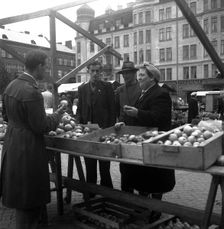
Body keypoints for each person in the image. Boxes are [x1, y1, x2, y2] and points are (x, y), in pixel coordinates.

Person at [0, 50, 66, 229]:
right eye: (46, 66)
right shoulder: (32, 91)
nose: (46, 70)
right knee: (29, 196)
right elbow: (41, 126)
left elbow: (6, 116)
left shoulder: (11, 86)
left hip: (12, 142)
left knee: (22, 194)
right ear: (39, 66)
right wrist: (58, 114)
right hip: (27, 148)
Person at [121, 63, 175, 222]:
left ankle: (156, 209)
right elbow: (142, 116)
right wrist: (125, 124)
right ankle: (145, 206)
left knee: (156, 178)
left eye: (142, 75)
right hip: (145, 141)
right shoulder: (144, 93)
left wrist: (137, 112)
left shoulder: (161, 93)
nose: (138, 78)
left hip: (156, 143)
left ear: (152, 78)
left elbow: (158, 117)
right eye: (138, 75)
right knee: (145, 177)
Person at [76, 60, 116, 192]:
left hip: (103, 132)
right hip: (87, 133)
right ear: (88, 72)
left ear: (101, 72)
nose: (95, 73)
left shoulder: (107, 87)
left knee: (104, 164)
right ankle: (90, 191)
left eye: (97, 71)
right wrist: (78, 126)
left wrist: (109, 130)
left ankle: (107, 191)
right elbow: (80, 109)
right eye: (92, 71)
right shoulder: (82, 88)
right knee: (89, 163)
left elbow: (112, 110)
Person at [115, 60, 141, 193]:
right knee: (124, 164)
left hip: (139, 131)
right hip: (124, 132)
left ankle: (142, 193)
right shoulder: (119, 90)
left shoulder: (142, 88)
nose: (125, 76)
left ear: (134, 73)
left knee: (139, 164)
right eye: (124, 73)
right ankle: (126, 193)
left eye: (129, 73)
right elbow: (115, 110)